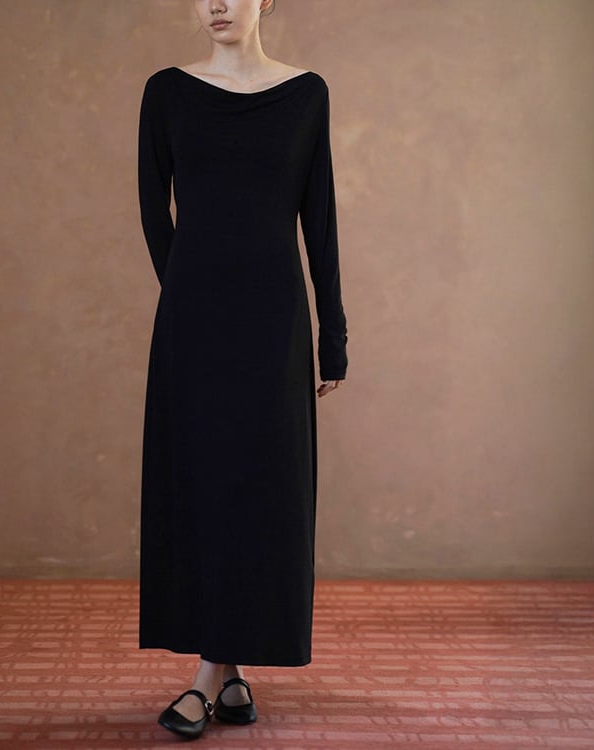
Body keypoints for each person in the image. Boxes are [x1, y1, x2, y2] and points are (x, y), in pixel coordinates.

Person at [136, 0, 348, 739]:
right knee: (203, 486)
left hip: (274, 323)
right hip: (193, 323)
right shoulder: (166, 92)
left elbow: (319, 218)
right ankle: (218, 675)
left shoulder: (306, 94)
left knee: (258, 490)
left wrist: (333, 334)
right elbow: (153, 210)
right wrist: (189, 296)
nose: (217, 3)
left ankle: (214, 675)